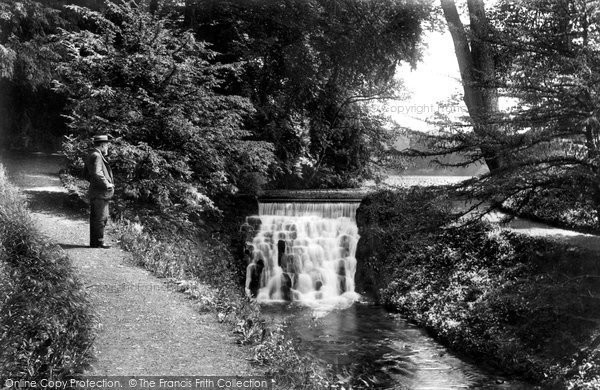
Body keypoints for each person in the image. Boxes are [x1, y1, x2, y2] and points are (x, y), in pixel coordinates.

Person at [84, 134, 114, 248]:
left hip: (96, 191)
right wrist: (107, 185)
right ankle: (99, 242)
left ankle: (95, 242)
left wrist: (95, 183)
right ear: (102, 145)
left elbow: (86, 174)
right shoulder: (97, 155)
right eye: (106, 145)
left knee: (97, 217)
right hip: (100, 193)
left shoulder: (91, 154)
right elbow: (97, 173)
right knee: (101, 218)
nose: (107, 148)